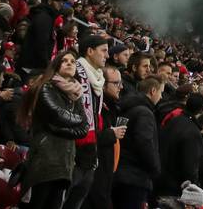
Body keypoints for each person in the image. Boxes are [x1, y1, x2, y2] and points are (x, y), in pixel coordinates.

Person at [20, 51, 90, 209]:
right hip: (44, 159)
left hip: (65, 163)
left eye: (72, 61)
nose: (70, 63)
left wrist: (59, 128)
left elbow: (85, 128)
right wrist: (77, 120)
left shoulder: (76, 93)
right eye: (64, 60)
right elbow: (59, 115)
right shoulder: (46, 88)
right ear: (56, 65)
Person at [64, 35, 111, 209]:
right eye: (103, 51)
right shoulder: (74, 72)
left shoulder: (98, 78)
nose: (107, 55)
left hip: (89, 155)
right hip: (72, 154)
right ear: (90, 51)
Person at [113, 77, 163, 209]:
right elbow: (144, 143)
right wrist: (155, 168)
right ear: (153, 91)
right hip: (135, 177)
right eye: (160, 92)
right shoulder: (144, 113)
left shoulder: (126, 107)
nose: (161, 97)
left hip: (119, 172)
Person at [84, 66, 127, 209]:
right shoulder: (96, 107)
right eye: (116, 83)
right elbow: (88, 135)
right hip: (95, 174)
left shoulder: (113, 107)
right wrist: (111, 134)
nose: (120, 87)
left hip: (107, 174)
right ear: (103, 84)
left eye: (120, 83)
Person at [156, 94, 203, 198]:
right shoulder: (193, 131)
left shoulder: (174, 120)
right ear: (201, 111)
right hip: (174, 188)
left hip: (159, 178)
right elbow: (190, 167)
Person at [22, 0, 65, 74]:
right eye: (58, 2)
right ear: (49, 1)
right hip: (32, 64)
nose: (61, 4)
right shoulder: (44, 17)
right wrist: (45, 63)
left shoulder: (48, 16)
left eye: (62, 2)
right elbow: (41, 42)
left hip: (33, 63)